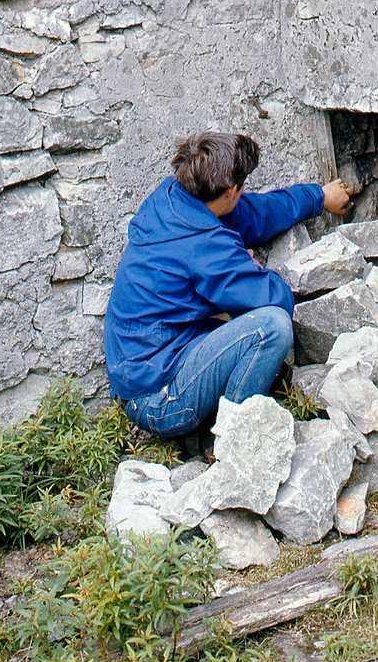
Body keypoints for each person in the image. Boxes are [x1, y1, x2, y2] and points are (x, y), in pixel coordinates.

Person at [104, 131, 351, 438]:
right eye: (242, 187)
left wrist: (318, 197)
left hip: (158, 361)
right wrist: (250, 267)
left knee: (246, 332)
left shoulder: (176, 200)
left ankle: (207, 430)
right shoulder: (203, 243)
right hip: (158, 399)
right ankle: (231, 441)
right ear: (230, 191)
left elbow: (254, 214)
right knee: (271, 328)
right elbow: (275, 300)